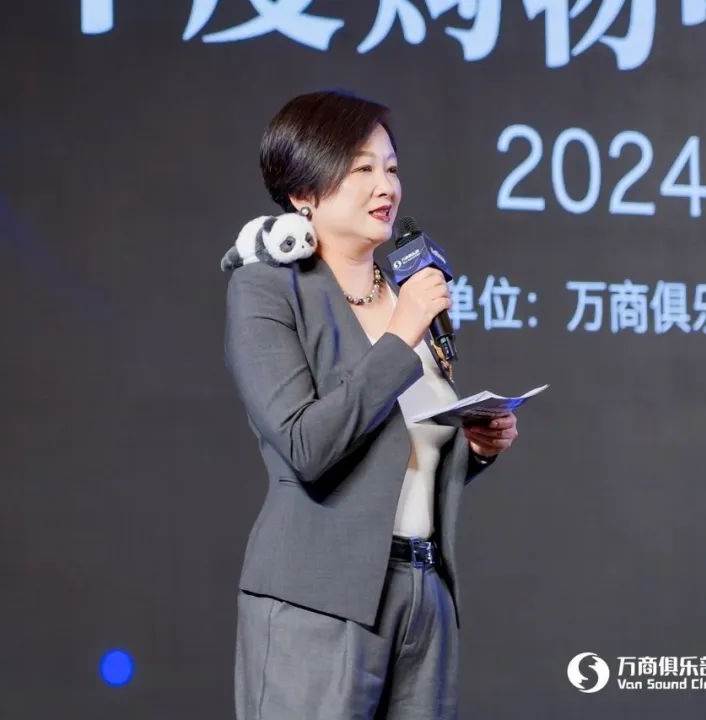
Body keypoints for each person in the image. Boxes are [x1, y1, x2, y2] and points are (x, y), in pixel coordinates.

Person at [224, 89, 519, 720]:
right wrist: (401, 333)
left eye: (391, 168)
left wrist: (475, 447)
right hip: (318, 598)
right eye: (361, 169)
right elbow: (307, 445)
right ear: (303, 192)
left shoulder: (408, 293)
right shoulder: (269, 291)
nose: (386, 186)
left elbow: (400, 449)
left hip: (425, 592)